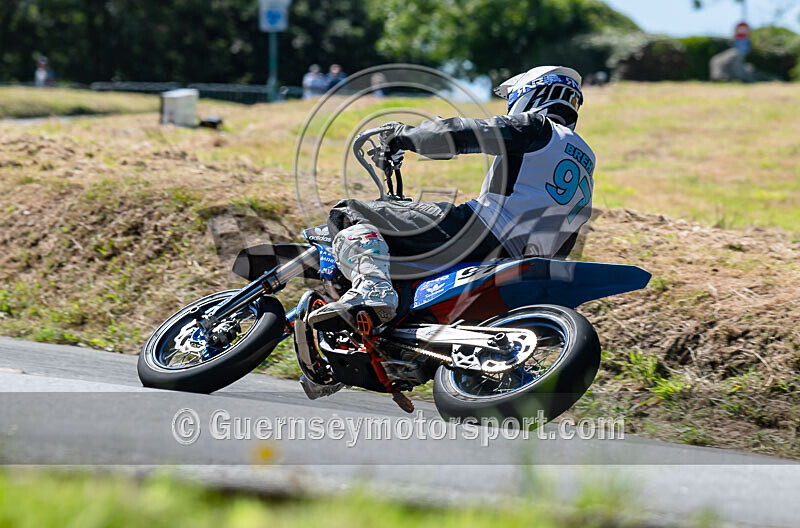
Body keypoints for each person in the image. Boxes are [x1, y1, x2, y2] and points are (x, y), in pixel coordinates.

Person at [308, 66, 595, 329]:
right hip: (526, 256)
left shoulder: (537, 127)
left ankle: (372, 288)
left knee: (349, 212)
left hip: (481, 230)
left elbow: (462, 134)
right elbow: (573, 226)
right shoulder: (586, 158)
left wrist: (403, 135)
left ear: (530, 94)